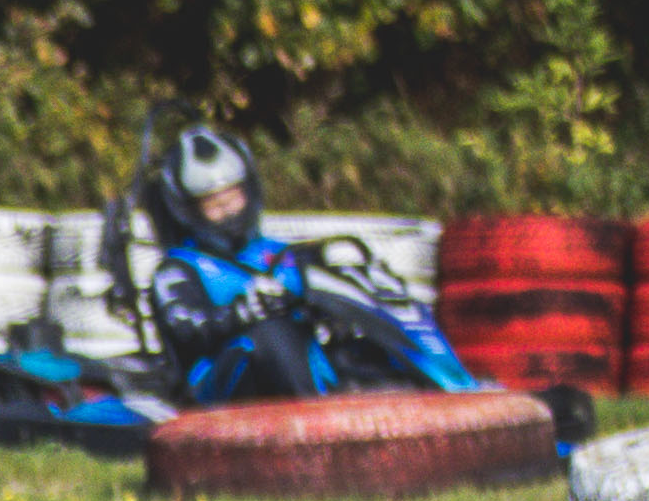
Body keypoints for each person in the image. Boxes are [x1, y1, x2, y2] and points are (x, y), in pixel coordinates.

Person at [122, 116, 485, 408]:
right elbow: (187, 329)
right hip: (217, 387)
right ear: (189, 210)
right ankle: (316, 426)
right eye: (214, 204)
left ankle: (439, 390)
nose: (228, 211)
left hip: (292, 373)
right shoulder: (178, 269)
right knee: (271, 334)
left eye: (233, 198)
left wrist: (337, 317)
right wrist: (242, 312)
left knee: (352, 339)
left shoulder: (278, 252)